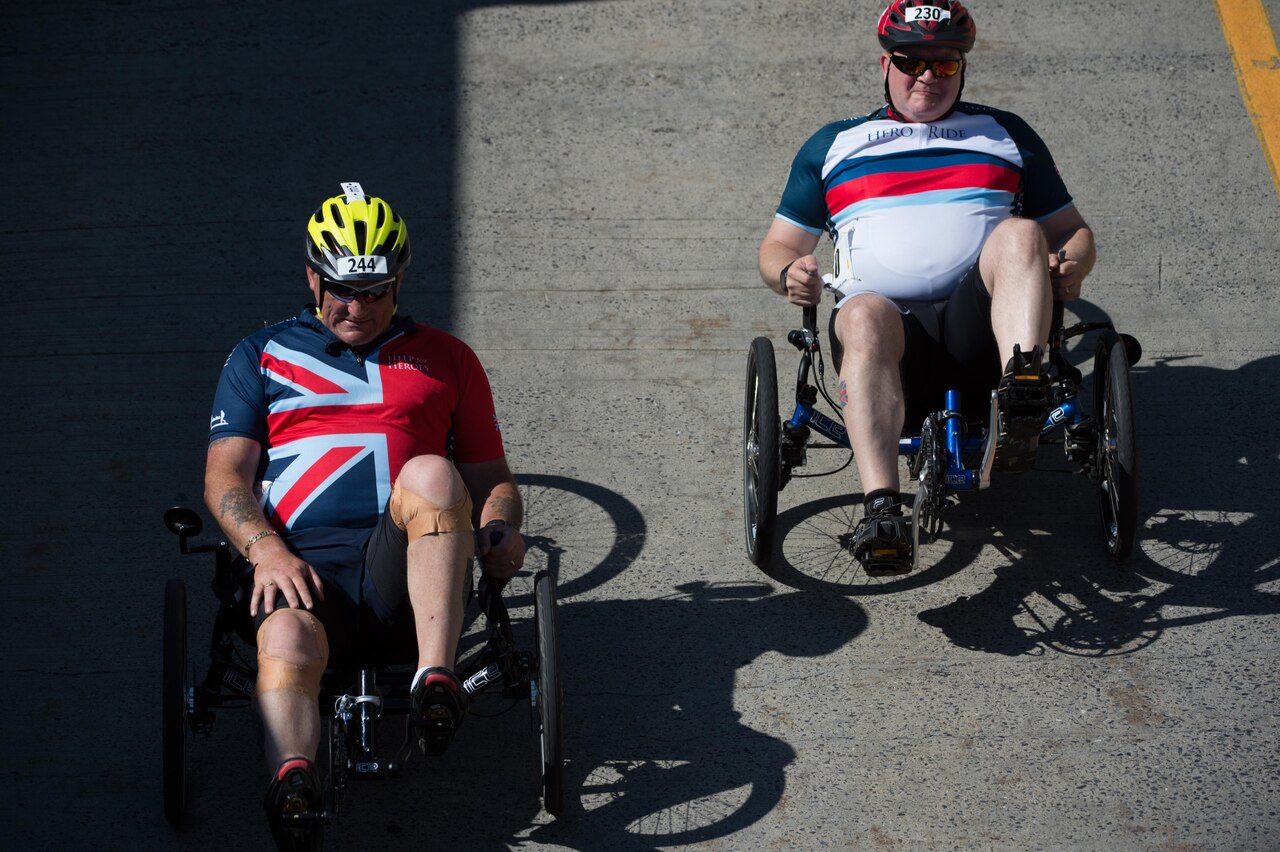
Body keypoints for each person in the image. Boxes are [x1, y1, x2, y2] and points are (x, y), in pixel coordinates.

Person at [204, 183, 525, 849]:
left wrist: (501, 528)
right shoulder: (258, 356)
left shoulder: (448, 358)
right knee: (286, 640)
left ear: (400, 279)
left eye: (376, 290)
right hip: (301, 570)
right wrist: (265, 549)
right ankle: (293, 782)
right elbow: (225, 476)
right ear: (312, 277)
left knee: (434, 471)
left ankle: (437, 679)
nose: (357, 308)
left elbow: (491, 480)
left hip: (405, 567)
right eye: (342, 290)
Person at [757, 0, 1095, 572]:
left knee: (1019, 233)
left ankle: (1022, 390)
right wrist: (787, 273)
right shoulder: (834, 145)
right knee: (860, 312)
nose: (927, 79)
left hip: (981, 334)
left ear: (962, 68)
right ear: (884, 65)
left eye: (944, 66)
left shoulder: (1005, 134)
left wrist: (1073, 264)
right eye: (912, 63)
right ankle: (883, 510)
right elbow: (778, 248)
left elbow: (1073, 232)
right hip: (887, 338)